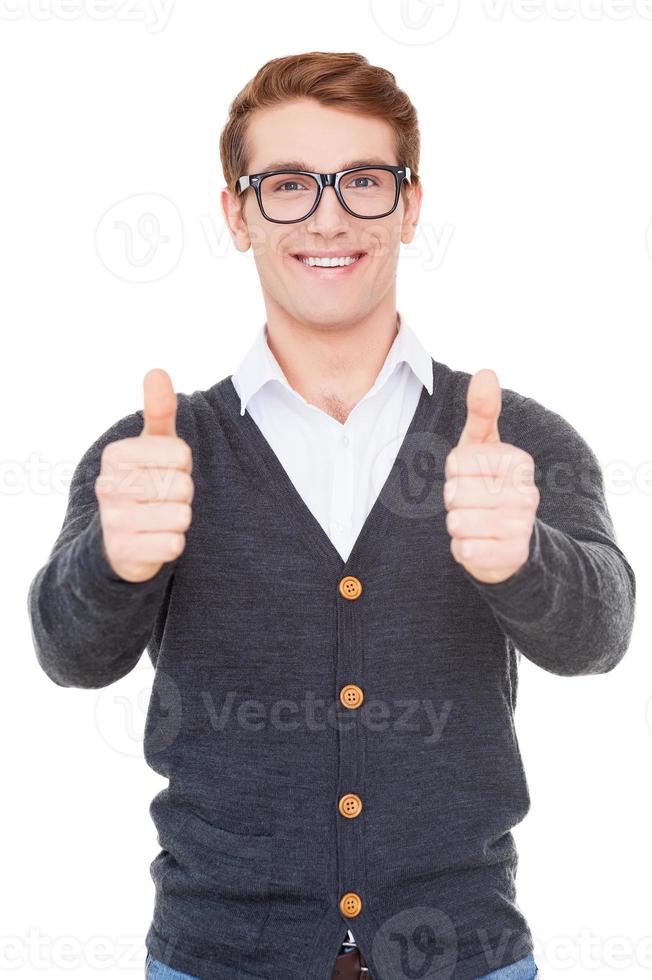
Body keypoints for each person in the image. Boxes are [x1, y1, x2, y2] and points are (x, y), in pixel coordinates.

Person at [27, 51, 636, 980]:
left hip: (466, 953)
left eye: (362, 181)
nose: (327, 216)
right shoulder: (151, 451)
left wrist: (526, 560)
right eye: (286, 185)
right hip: (216, 956)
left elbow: (603, 634)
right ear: (236, 213)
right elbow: (68, 654)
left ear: (411, 205)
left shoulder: (514, 438)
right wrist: (112, 563)